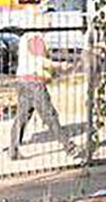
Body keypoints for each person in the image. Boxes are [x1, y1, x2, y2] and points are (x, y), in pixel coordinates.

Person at [7, 27, 70, 160]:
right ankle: (69, 146)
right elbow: (40, 61)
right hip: (33, 82)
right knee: (49, 114)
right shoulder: (36, 38)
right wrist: (59, 65)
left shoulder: (26, 36)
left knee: (22, 116)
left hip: (22, 80)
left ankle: (13, 150)